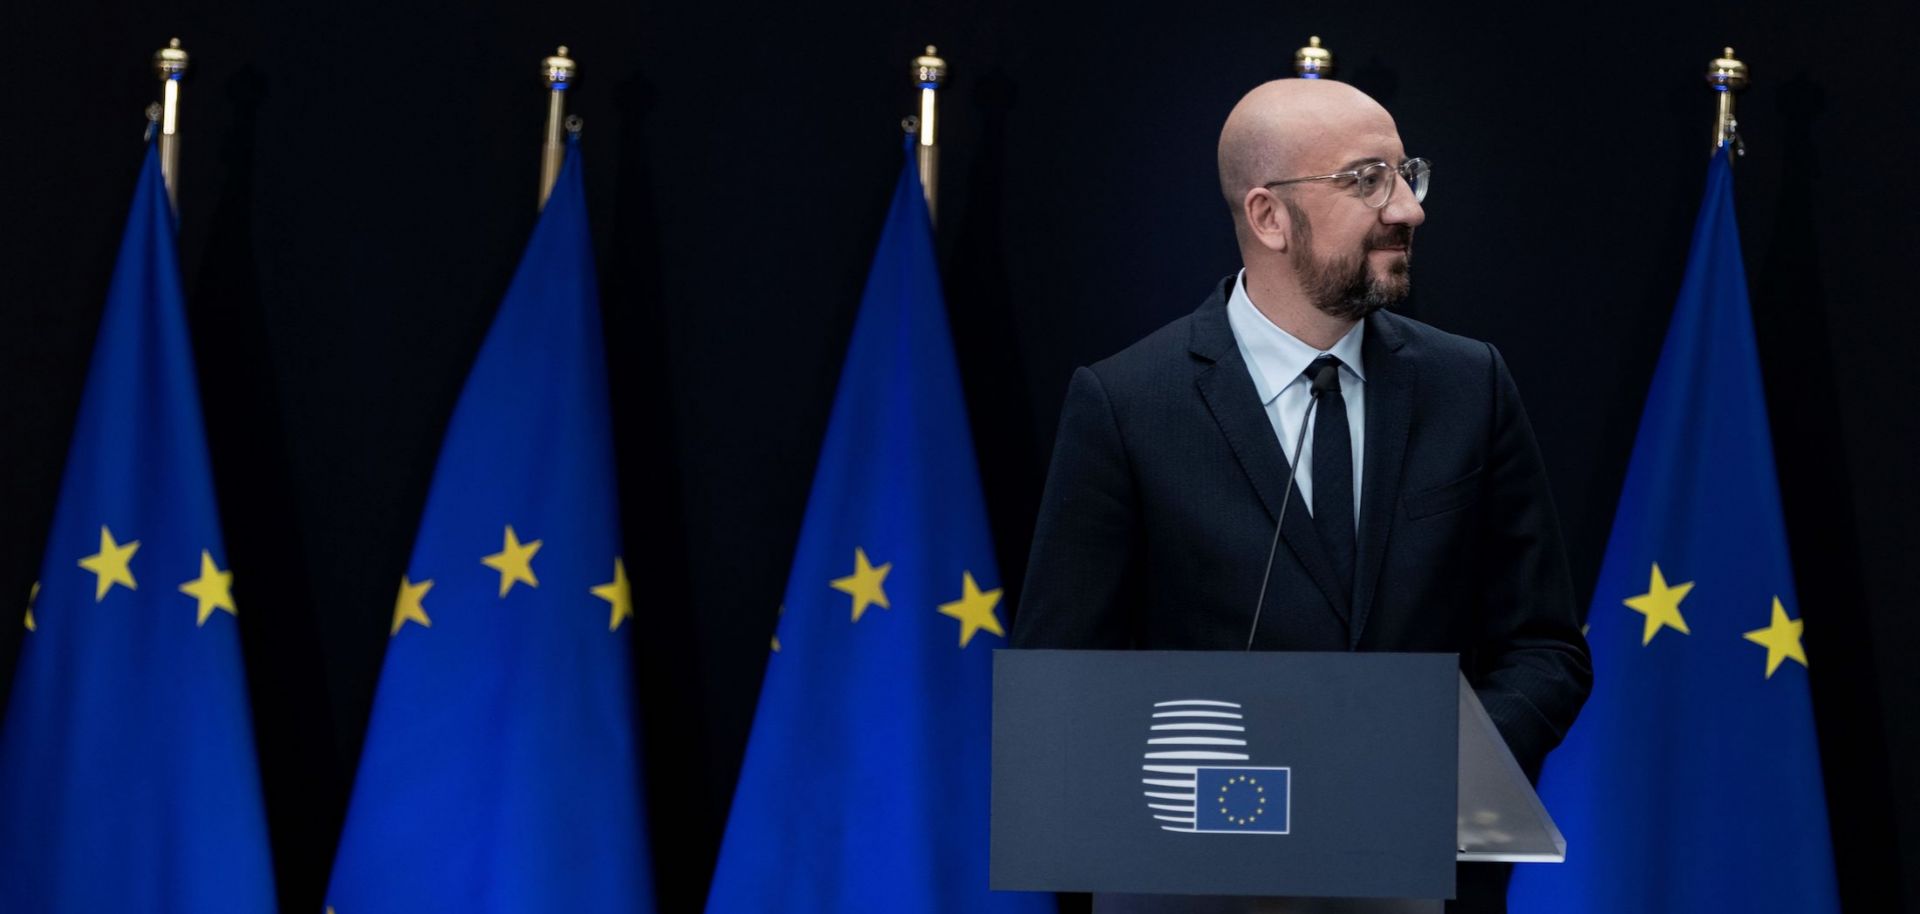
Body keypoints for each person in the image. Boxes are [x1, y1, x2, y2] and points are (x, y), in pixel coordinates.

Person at [1010, 78, 1592, 914]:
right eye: (1367, 181)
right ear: (1269, 217)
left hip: (1422, 884)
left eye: (1408, 175)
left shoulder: (1472, 385)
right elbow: (1061, 690)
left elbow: (1546, 651)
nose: (1407, 210)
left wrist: (1429, 777)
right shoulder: (1126, 404)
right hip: (1200, 888)